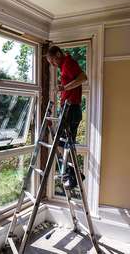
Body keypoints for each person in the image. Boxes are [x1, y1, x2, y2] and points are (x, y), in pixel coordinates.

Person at [46, 45, 87, 189]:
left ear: (58, 54)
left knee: (62, 144)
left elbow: (83, 77)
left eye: (52, 61)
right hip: (69, 108)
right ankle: (75, 174)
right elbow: (72, 82)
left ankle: (73, 174)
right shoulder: (64, 66)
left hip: (71, 109)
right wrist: (63, 85)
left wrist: (64, 88)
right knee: (65, 144)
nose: (52, 64)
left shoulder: (68, 63)